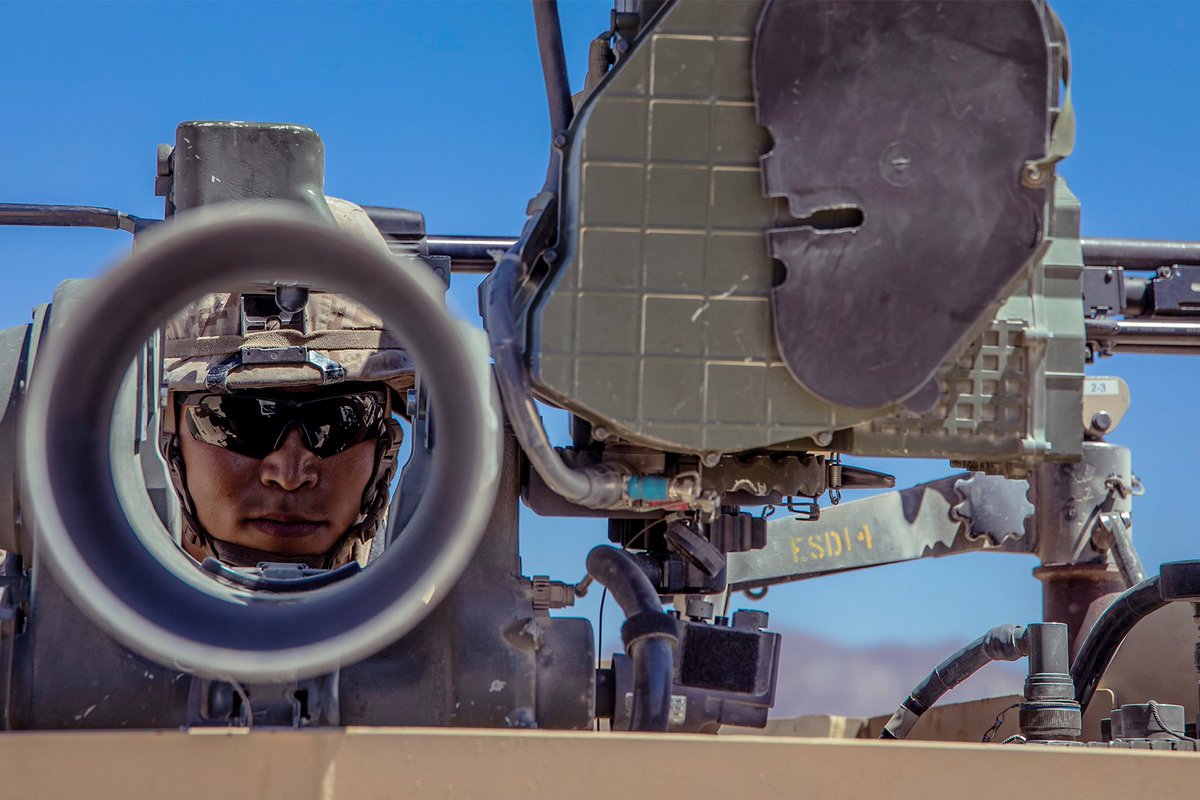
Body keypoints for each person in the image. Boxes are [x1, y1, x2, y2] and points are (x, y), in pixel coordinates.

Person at [158, 198, 415, 569]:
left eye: (341, 420)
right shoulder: (80, 598)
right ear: (168, 431)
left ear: (386, 442)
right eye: (237, 421)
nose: (290, 474)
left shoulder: (444, 610)